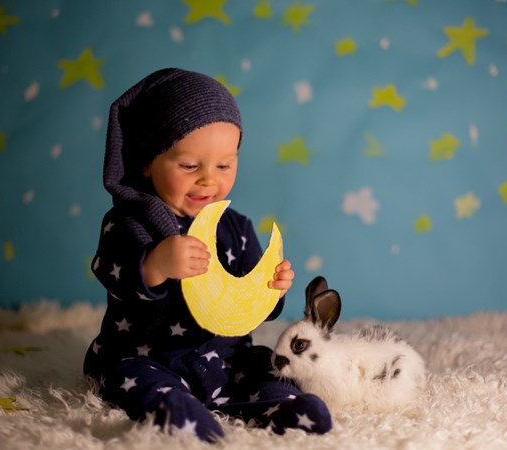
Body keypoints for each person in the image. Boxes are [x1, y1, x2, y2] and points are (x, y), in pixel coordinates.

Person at [83, 68, 332, 442]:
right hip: (149, 355)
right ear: (147, 162)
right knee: (130, 378)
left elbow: (249, 302)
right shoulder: (129, 223)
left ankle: (284, 406)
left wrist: (271, 291)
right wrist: (155, 264)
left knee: (263, 368)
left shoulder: (235, 227)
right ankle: (176, 410)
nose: (208, 180)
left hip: (225, 359)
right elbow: (110, 269)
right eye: (189, 165)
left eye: (224, 165)